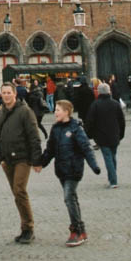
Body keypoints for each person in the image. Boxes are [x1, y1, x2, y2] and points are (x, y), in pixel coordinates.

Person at [35, 98, 96, 246]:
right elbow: (50, 150)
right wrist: (41, 163)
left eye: (58, 110)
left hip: (74, 169)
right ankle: (82, 230)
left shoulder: (76, 128)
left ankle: (75, 230)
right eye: (55, 109)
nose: (55, 112)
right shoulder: (55, 129)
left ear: (67, 112)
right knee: (73, 199)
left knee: (68, 197)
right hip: (61, 170)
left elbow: (86, 148)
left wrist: (94, 165)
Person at [0, 81, 41, 243]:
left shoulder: (25, 112)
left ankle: (28, 227)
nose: (6, 96)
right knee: (16, 192)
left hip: (22, 157)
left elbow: (34, 136)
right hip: (7, 159)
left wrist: (36, 160)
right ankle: (24, 227)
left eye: (9, 93)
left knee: (19, 190)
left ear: (15, 94)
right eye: (3, 93)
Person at [86, 81, 125, 188]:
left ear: (99, 93)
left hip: (101, 136)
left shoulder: (95, 105)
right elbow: (122, 121)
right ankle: (112, 177)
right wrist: (121, 134)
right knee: (112, 156)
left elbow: (90, 121)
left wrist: (89, 134)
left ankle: (113, 181)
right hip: (115, 135)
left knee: (108, 157)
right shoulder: (116, 104)